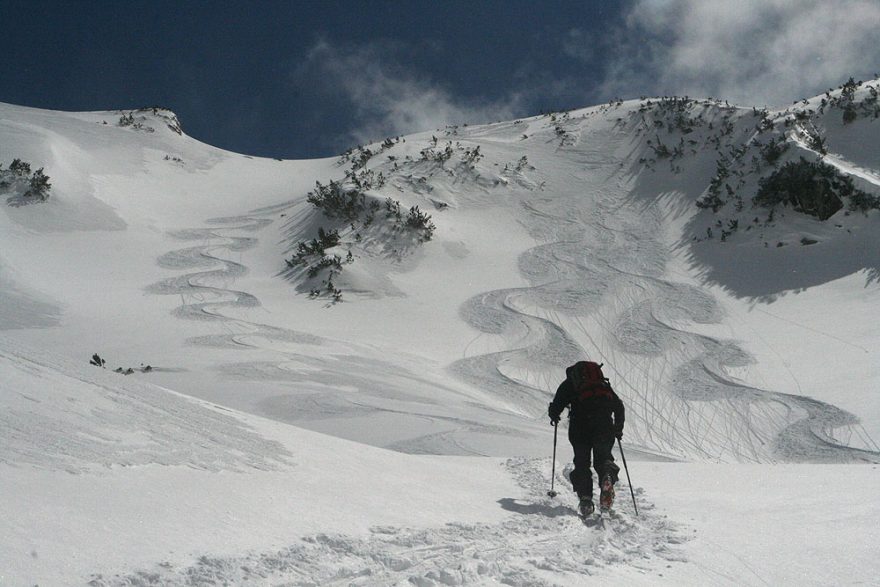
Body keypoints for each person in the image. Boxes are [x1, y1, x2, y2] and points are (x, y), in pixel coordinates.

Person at [548, 360, 625, 516]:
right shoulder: (602, 385)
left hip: (580, 427)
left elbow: (557, 405)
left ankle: (585, 500)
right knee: (603, 459)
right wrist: (617, 428)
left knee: (582, 462)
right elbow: (618, 406)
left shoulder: (570, 384)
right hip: (604, 426)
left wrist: (554, 415)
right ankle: (607, 477)